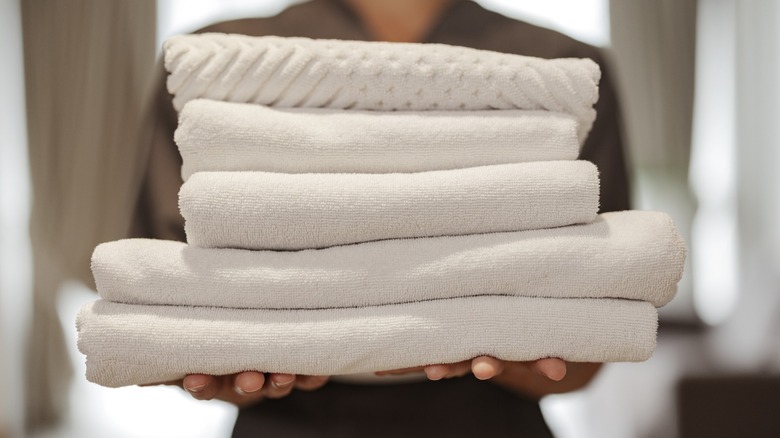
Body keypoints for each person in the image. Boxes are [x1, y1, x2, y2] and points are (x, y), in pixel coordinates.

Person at [132, 0, 631, 436]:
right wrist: (217, 363)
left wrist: (513, 350)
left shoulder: (557, 68)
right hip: (286, 426)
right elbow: (173, 294)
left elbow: (598, 318)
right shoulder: (223, 61)